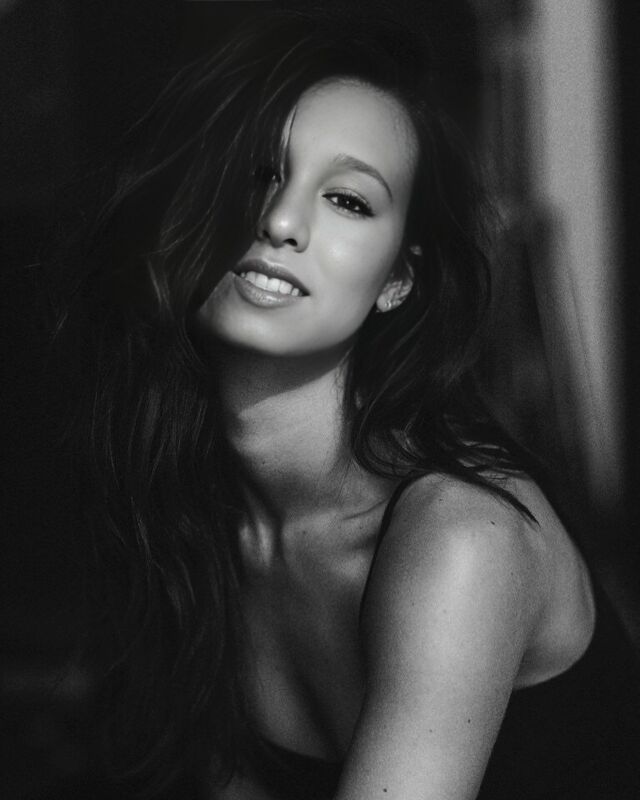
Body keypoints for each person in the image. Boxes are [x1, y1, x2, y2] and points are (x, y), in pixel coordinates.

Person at [54, 4, 640, 799]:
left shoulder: (461, 537)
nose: (281, 220)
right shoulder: (191, 507)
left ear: (398, 279)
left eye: (350, 201)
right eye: (259, 172)